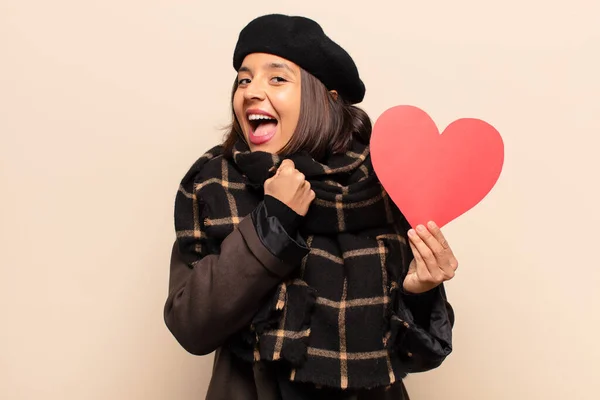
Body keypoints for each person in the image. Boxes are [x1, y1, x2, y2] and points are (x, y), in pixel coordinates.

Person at [164, 13, 457, 400]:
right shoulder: (213, 185)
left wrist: (420, 292)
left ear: (327, 99)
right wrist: (275, 220)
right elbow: (191, 326)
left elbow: (413, 358)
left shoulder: (382, 187)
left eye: (277, 78)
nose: (251, 91)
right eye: (244, 79)